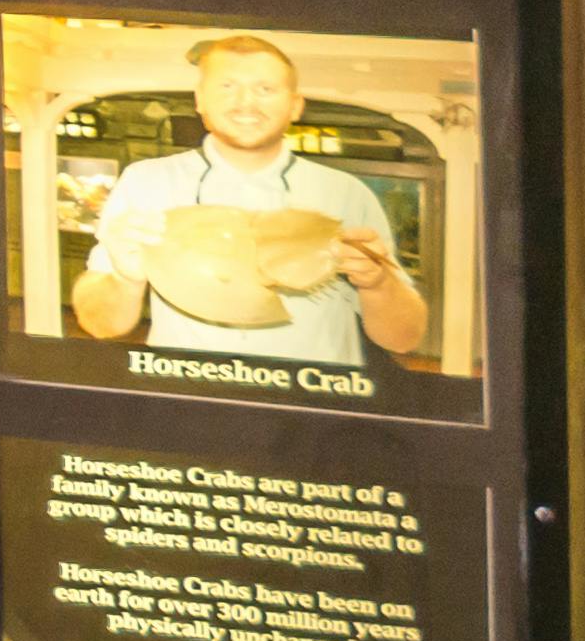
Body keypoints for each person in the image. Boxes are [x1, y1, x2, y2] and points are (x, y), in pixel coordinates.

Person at [69, 31, 429, 383]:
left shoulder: (346, 194)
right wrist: (127, 280)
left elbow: (403, 338)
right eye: (227, 86)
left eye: (265, 89)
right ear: (200, 100)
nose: (245, 103)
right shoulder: (147, 182)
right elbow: (101, 325)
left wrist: (378, 284)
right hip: (191, 393)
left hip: (313, 400)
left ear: (295, 105)